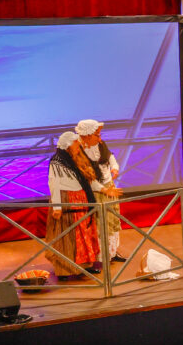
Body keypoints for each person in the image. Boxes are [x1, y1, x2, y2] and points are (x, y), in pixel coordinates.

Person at [46, 131, 119, 280]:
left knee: (83, 235)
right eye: (75, 144)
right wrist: (58, 207)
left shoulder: (76, 159)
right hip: (68, 201)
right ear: (67, 146)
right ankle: (65, 270)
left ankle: (83, 266)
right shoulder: (57, 162)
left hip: (81, 199)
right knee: (68, 237)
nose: (78, 146)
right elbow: (54, 185)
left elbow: (89, 181)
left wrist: (105, 189)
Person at [72, 119, 126, 263]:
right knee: (100, 224)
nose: (100, 138)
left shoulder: (100, 144)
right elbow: (88, 179)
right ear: (88, 135)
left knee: (113, 220)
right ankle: (101, 256)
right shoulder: (79, 151)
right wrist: (104, 190)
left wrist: (115, 168)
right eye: (97, 135)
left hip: (109, 187)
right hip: (95, 192)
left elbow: (110, 156)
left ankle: (113, 252)